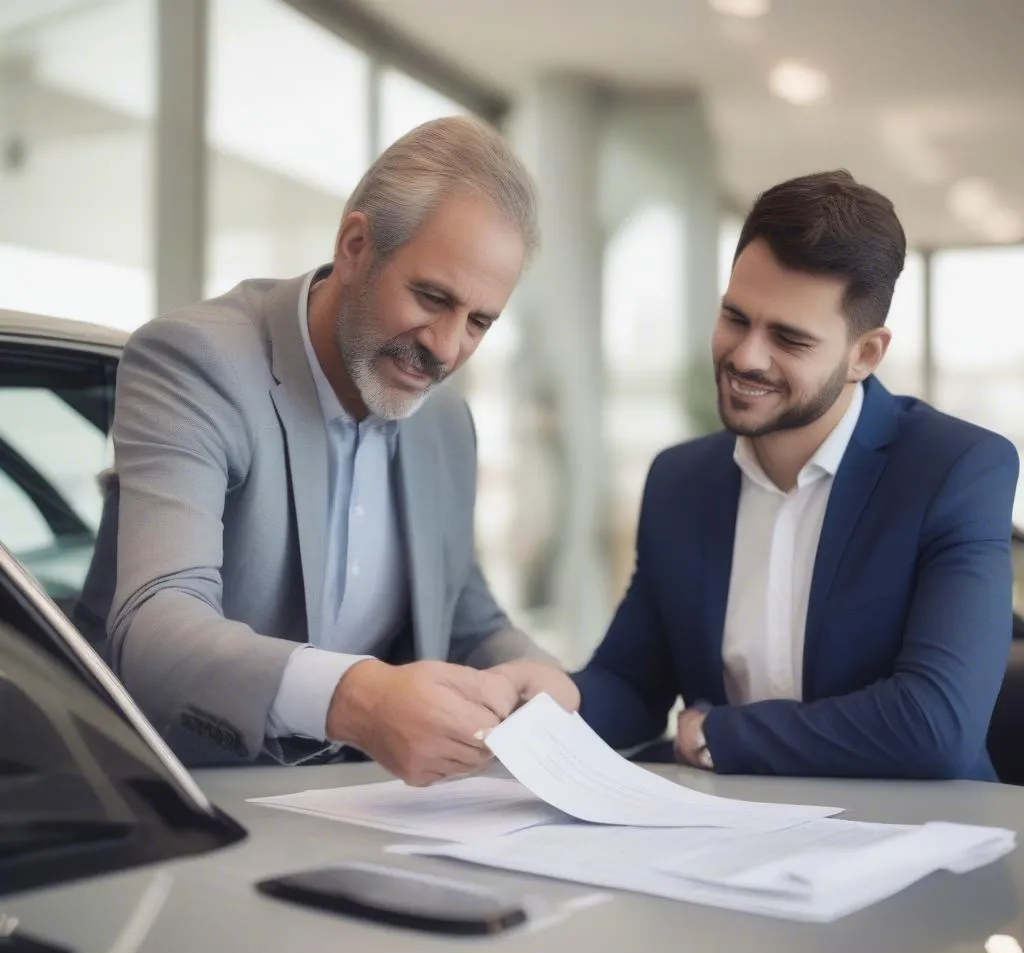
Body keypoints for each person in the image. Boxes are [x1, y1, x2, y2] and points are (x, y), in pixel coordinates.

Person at [80, 116, 576, 783]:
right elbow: (157, 627)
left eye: (480, 321)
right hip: (170, 801)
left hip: (363, 809)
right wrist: (361, 698)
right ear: (354, 246)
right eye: (432, 297)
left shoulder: (446, 423)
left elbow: (468, 620)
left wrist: (539, 675)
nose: (448, 347)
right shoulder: (198, 362)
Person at [576, 169, 1018, 780]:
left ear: (864, 355)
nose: (746, 356)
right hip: (726, 840)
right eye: (736, 317)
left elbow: (933, 724)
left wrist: (720, 736)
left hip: (916, 838)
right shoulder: (680, 480)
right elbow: (631, 683)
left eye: (789, 338)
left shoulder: (956, 470)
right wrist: (540, 701)